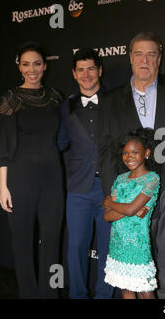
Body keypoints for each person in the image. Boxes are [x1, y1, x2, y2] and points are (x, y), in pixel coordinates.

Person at [97, 31, 165, 298]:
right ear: (130, 59)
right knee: (131, 262)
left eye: (151, 54)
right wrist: (111, 195)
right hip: (127, 194)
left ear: (159, 58)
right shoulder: (110, 99)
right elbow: (106, 151)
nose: (145, 60)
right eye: (139, 54)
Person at [0, 42, 64, 298]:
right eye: (26, 64)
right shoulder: (12, 99)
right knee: (22, 244)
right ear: (19, 67)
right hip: (20, 180)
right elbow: (2, 145)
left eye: (37, 64)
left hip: (53, 179)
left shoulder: (55, 97)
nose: (32, 69)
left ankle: (49, 294)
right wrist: (2, 186)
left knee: (52, 242)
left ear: (45, 65)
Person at [57, 48, 113, 299]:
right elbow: (60, 143)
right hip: (78, 190)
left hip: (110, 189)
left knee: (108, 249)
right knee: (76, 248)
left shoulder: (116, 101)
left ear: (99, 70)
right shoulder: (65, 107)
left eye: (91, 68)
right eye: (81, 69)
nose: (86, 74)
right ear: (74, 74)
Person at [102, 128, 160, 299]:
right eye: (125, 153)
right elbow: (107, 216)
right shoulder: (120, 179)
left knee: (145, 290)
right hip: (118, 243)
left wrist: (110, 203)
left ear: (147, 153)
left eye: (135, 152)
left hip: (137, 244)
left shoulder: (152, 179)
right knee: (125, 288)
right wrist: (131, 210)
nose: (129, 157)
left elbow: (130, 209)